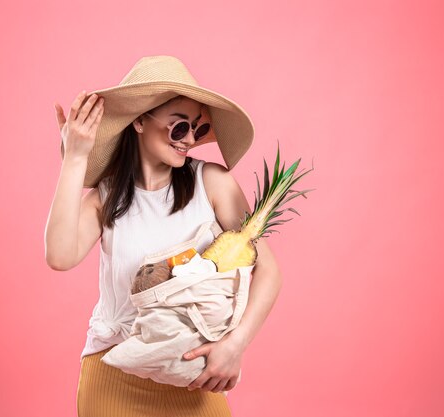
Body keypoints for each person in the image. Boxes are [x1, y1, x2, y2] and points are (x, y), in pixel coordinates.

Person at [45, 55, 282, 417]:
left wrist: (236, 345)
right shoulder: (107, 198)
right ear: (139, 120)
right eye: (179, 127)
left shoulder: (212, 184)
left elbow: (269, 270)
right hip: (112, 374)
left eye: (198, 130)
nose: (190, 140)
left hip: (194, 374)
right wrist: (75, 159)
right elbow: (60, 256)